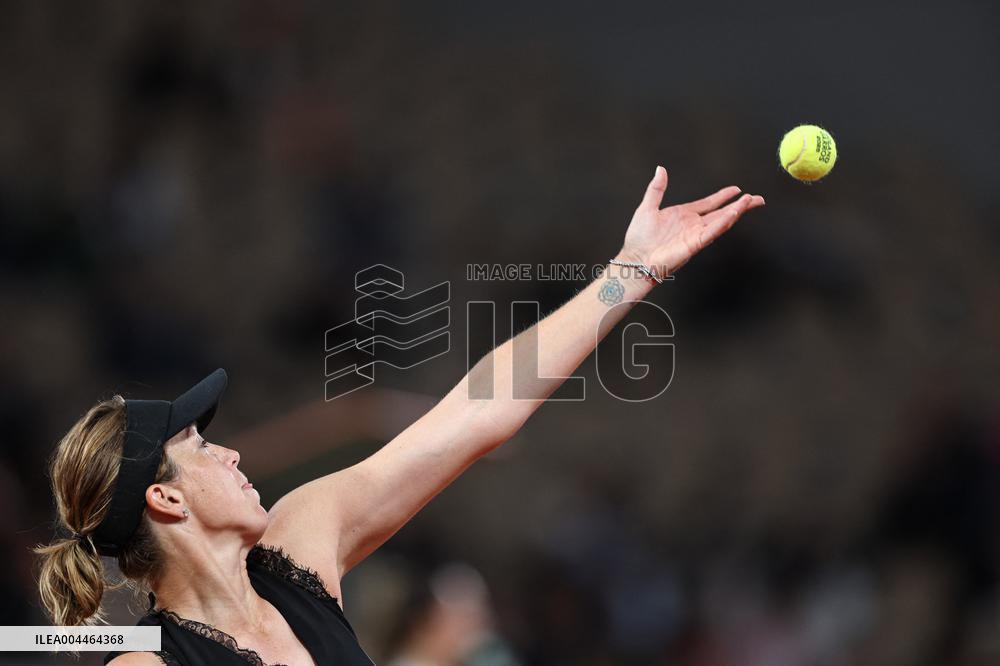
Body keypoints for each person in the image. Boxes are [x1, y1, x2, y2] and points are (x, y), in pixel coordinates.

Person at [33, 167, 764, 665]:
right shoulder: (148, 661)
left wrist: (629, 273)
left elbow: (477, 415)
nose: (230, 455)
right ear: (164, 496)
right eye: (200, 446)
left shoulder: (301, 540)